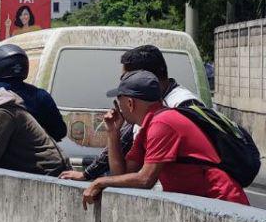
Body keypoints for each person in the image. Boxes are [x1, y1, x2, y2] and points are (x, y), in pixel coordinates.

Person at [81, 70, 248, 207]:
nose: (118, 109)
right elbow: (122, 174)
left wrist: (99, 182)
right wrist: (113, 133)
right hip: (203, 202)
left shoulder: (162, 124)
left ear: (130, 103)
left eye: (119, 103)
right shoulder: (149, 126)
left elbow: (145, 179)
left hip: (222, 201)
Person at [62, 44, 202, 182]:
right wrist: (88, 173)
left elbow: (145, 180)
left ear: (143, 77)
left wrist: (99, 181)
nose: (122, 86)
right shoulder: (145, 113)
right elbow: (124, 167)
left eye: (126, 79)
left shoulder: (180, 107)